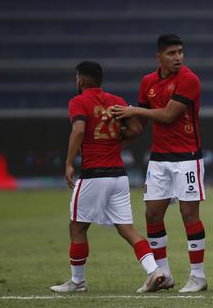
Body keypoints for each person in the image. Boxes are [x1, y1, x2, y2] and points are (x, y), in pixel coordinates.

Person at [50, 61, 165, 293]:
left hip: (94, 175)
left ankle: (77, 281)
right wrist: (114, 143)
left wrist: (69, 162)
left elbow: (79, 130)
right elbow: (136, 129)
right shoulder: (117, 101)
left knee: (77, 227)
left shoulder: (78, 101)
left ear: (81, 80)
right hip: (118, 176)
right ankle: (155, 270)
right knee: (127, 228)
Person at [109, 34, 206, 293]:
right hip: (159, 160)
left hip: (187, 158)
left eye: (180, 52)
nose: (178, 57)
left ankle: (198, 276)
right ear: (159, 57)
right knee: (152, 214)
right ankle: (163, 274)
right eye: (172, 53)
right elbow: (139, 126)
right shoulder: (148, 82)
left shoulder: (189, 79)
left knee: (189, 215)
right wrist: (116, 135)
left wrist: (134, 110)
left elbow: (168, 115)